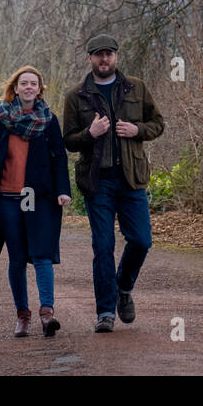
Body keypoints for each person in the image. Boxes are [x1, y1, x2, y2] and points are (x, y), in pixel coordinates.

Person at [62, 35, 164, 333]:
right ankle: (105, 312)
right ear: (90, 59)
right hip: (98, 181)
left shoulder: (136, 87)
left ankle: (123, 288)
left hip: (132, 179)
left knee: (142, 241)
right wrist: (90, 133)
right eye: (98, 55)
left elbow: (158, 124)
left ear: (116, 57)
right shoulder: (76, 95)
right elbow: (68, 140)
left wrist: (137, 129)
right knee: (103, 247)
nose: (104, 60)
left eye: (108, 54)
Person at [0, 66, 71, 337]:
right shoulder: (0, 117)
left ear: (40, 89)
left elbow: (59, 158)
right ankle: (22, 315)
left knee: (41, 255)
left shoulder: (49, 119)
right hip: (7, 196)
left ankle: (46, 314)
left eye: (34, 83)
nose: (29, 87)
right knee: (17, 258)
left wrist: (62, 190)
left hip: (39, 196)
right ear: (15, 88)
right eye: (24, 83)